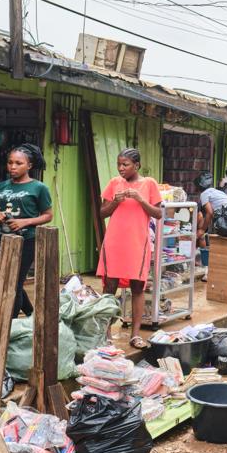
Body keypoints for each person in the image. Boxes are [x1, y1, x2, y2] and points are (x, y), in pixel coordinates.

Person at [98, 148, 162, 348]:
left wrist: (140, 199)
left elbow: (158, 213)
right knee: (110, 287)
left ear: (137, 165)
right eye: (119, 164)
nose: (121, 168)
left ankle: (135, 335)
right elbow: (102, 213)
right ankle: (106, 334)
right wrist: (115, 202)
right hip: (114, 242)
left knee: (137, 286)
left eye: (125, 164)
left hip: (137, 243)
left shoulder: (149, 183)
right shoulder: (114, 184)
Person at [0, 144, 53, 319]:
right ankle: (31, 313)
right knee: (10, 280)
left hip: (27, 240)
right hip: (2, 240)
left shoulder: (39, 188)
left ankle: (9, 325)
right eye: (10, 162)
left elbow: (48, 216)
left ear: (29, 166)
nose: (13, 167)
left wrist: (25, 222)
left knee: (13, 283)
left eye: (18, 163)